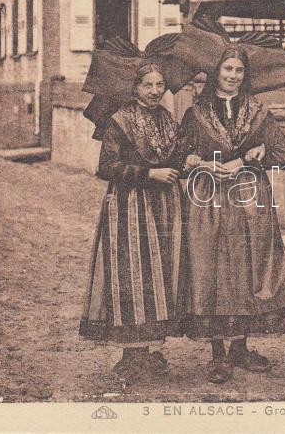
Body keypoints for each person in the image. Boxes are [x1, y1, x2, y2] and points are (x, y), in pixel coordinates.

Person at [178, 45, 285, 385]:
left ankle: (241, 347)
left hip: (250, 200)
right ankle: (218, 353)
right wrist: (199, 162)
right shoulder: (196, 112)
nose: (232, 76)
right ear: (216, 72)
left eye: (238, 71)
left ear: (245, 76)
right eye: (227, 69)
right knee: (213, 270)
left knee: (247, 268)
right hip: (209, 199)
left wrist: (256, 156)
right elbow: (180, 155)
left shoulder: (258, 111)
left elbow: (283, 153)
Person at [80, 60, 188, 383]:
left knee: (160, 275)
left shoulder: (168, 119)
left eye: (159, 85)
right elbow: (106, 166)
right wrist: (149, 173)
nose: (154, 91)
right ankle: (131, 354)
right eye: (147, 85)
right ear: (135, 88)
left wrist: (184, 162)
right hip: (129, 207)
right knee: (132, 274)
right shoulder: (119, 121)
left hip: (164, 206)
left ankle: (151, 349)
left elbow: (179, 154)